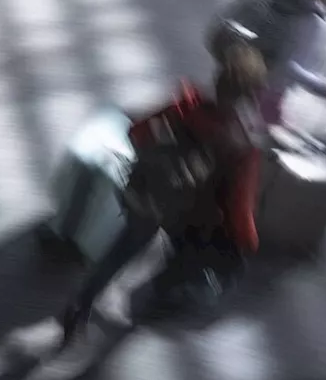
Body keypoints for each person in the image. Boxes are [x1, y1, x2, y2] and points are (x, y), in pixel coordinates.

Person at [59, 43, 268, 345]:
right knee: (192, 252)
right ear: (250, 96)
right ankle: (163, 296)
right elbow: (239, 204)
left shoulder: (185, 105)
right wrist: (248, 240)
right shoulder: (243, 144)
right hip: (188, 213)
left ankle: (82, 303)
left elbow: (135, 132)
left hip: (146, 197)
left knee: (122, 250)